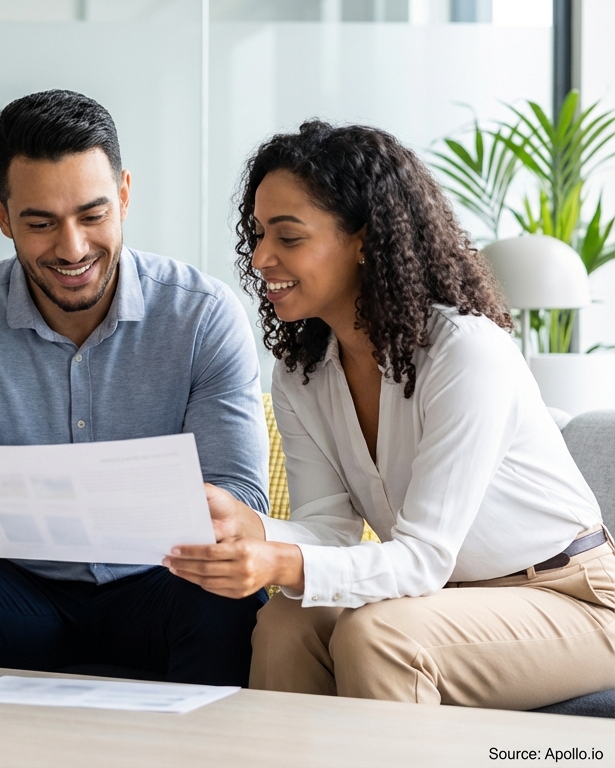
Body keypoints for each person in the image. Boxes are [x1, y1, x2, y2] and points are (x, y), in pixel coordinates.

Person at [163, 120, 615, 709]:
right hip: (442, 597)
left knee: (380, 638)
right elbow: (331, 530)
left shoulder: (465, 352)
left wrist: (280, 559)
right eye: (257, 234)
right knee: (286, 624)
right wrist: (255, 530)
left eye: (288, 237)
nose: (261, 256)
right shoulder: (303, 371)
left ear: (365, 240)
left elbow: (423, 557)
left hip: (572, 596)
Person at [0, 90, 270, 686]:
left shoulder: (202, 315)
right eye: (41, 223)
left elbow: (243, 496)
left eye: (93, 215)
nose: (72, 248)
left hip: (162, 582)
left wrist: (180, 510)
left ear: (124, 195)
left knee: (231, 603)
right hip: (13, 584)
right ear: (2, 216)